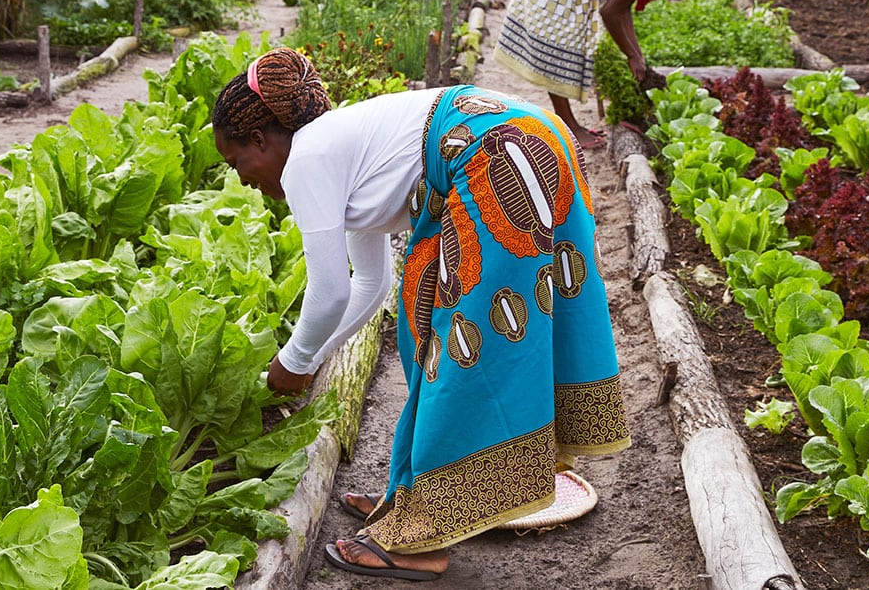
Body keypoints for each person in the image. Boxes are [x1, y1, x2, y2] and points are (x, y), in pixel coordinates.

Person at [212, 48, 630, 581]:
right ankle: (413, 500)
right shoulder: (339, 148)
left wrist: (290, 364)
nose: (242, 179)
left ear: (260, 141)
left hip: (499, 155)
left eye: (236, 163)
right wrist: (312, 358)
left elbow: (328, 291)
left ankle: (420, 539)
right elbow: (370, 285)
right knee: (424, 322)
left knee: (465, 346)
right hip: (530, 137)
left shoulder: (307, 161)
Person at [493, 0, 712, 150]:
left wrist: (637, 56)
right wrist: (631, 55)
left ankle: (569, 124)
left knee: (566, 38)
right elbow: (611, 12)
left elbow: (623, 9)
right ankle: (568, 126)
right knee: (558, 44)